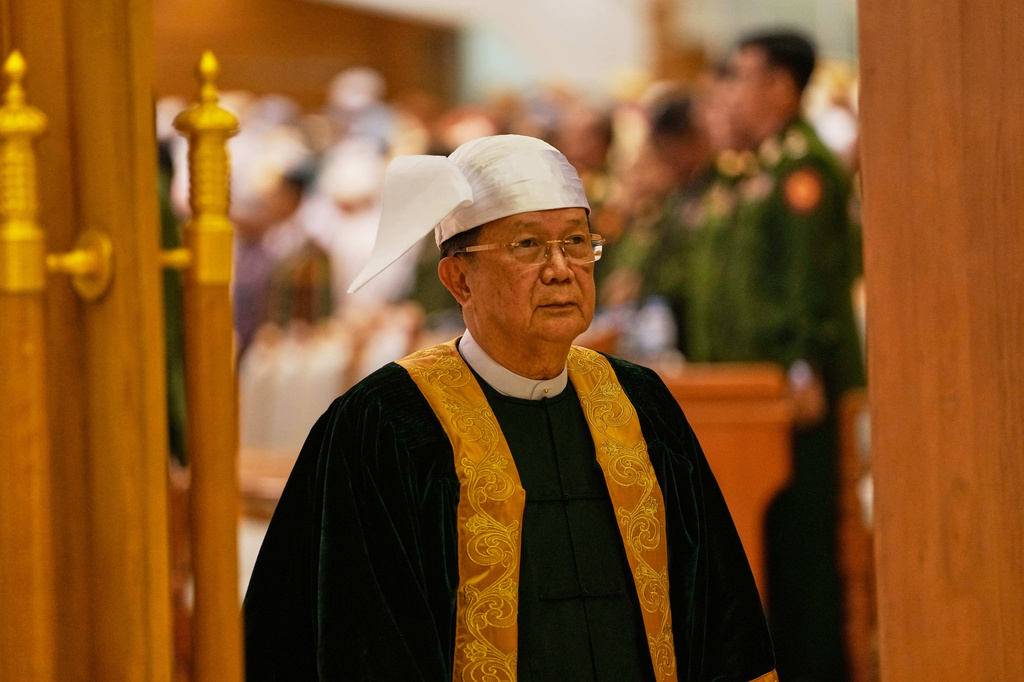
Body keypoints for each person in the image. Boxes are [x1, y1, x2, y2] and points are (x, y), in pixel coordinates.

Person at [243, 134, 778, 682]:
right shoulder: (387, 425)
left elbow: (721, 617)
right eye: (527, 246)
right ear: (458, 278)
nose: (560, 268)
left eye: (576, 241)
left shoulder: (642, 405)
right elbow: (357, 641)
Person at [687, 31, 866, 682]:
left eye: (742, 77)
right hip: (754, 396)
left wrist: (802, 365)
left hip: (798, 394)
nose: (731, 92)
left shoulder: (802, 169)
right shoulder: (760, 169)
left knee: (806, 551)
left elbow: (810, 281)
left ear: (780, 87)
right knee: (776, 553)